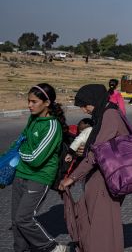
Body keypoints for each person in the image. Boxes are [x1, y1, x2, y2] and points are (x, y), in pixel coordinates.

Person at [58, 84, 130, 252]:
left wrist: (72, 178)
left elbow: (97, 153)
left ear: (95, 100)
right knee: (94, 223)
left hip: (106, 181)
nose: (84, 110)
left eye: (85, 105)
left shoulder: (110, 115)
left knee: (101, 229)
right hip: (100, 179)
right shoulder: (104, 114)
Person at [7, 83, 67, 252]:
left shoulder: (51, 126)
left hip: (39, 177)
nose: (29, 105)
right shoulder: (32, 119)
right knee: (15, 221)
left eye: (34, 101)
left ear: (46, 103)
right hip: (21, 174)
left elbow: (35, 158)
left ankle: (52, 247)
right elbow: (21, 140)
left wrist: (19, 152)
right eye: (28, 101)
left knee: (24, 219)